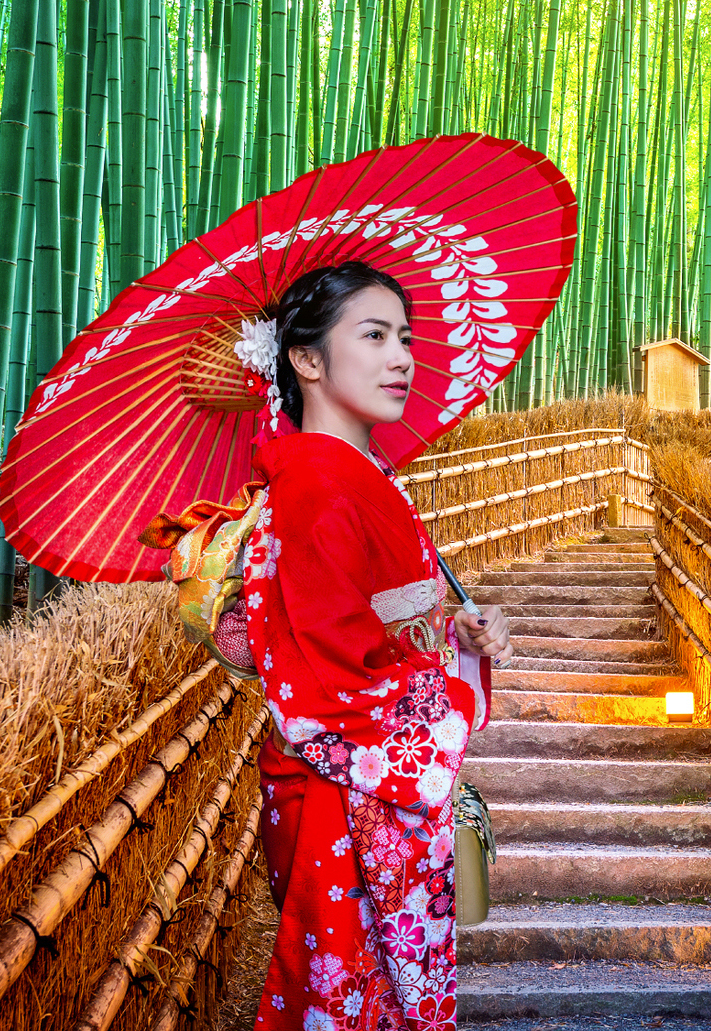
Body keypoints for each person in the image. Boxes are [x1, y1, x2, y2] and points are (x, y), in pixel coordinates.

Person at [241, 261, 512, 1031]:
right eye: (374, 335)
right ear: (306, 359)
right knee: (353, 1002)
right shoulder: (319, 485)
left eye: (405, 337)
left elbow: (387, 623)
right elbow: (332, 675)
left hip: (368, 780)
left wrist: (452, 635)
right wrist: (449, 696)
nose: (402, 357)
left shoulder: (360, 476)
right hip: (345, 787)